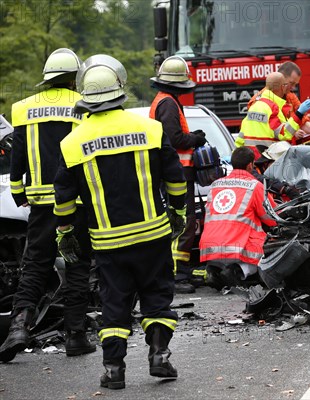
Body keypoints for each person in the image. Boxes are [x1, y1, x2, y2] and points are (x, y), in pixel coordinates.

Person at [53, 55, 186, 389]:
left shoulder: (72, 143)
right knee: (157, 296)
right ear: (119, 93)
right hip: (153, 235)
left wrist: (66, 232)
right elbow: (175, 178)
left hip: (108, 243)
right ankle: (159, 356)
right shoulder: (150, 129)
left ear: (86, 98)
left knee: (115, 303)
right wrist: (179, 211)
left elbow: (64, 197)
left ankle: (114, 370)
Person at [0, 48, 95, 363]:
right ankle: (76, 336)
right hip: (76, 202)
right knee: (76, 263)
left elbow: (18, 156)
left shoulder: (24, 109)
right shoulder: (84, 105)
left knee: (36, 264)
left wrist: (18, 193)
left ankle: (18, 327)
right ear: (73, 78)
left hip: (40, 203)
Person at [149, 56, 207, 294]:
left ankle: (180, 271)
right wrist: (196, 138)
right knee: (183, 223)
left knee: (182, 222)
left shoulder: (164, 101)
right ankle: (177, 274)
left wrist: (191, 135)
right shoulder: (169, 104)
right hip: (177, 173)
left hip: (174, 172)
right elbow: (174, 140)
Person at [199, 146, 277, 288]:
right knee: (267, 248)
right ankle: (236, 272)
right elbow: (272, 218)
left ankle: (214, 270)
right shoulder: (255, 186)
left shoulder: (216, 185)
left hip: (210, 246)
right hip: (237, 248)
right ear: (250, 165)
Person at [248, 61, 310, 143]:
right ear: (281, 79)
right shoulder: (257, 102)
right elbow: (266, 129)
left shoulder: (290, 97)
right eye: (292, 83)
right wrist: (292, 133)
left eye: (295, 84)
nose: (293, 87)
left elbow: (301, 121)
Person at [235, 72, 310, 149]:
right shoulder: (272, 108)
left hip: (252, 158)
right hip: (268, 158)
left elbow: (241, 136)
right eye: (285, 84)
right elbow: (283, 133)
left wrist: (235, 155)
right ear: (282, 87)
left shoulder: (255, 106)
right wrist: (299, 113)